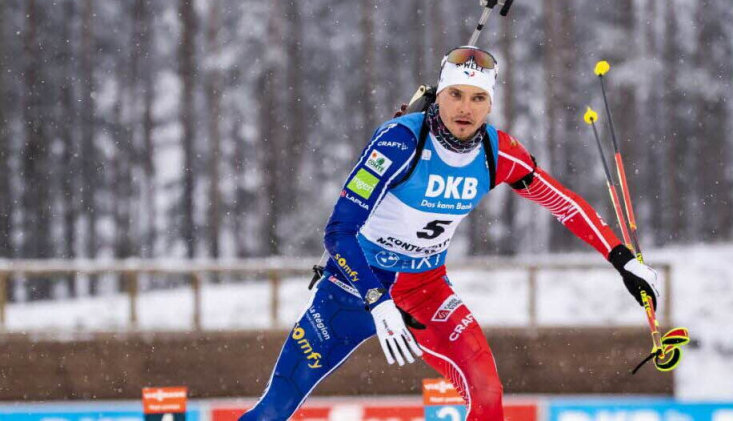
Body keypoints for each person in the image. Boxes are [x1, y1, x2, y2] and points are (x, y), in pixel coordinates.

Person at [238, 46, 659, 421]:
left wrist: (623, 260)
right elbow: (339, 232)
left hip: (426, 291)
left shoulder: (497, 152)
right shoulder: (400, 142)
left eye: (478, 98)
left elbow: (563, 204)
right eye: (455, 94)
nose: (465, 108)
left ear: (490, 105)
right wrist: (376, 300)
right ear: (437, 95)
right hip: (354, 286)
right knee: (275, 409)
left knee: (488, 396)